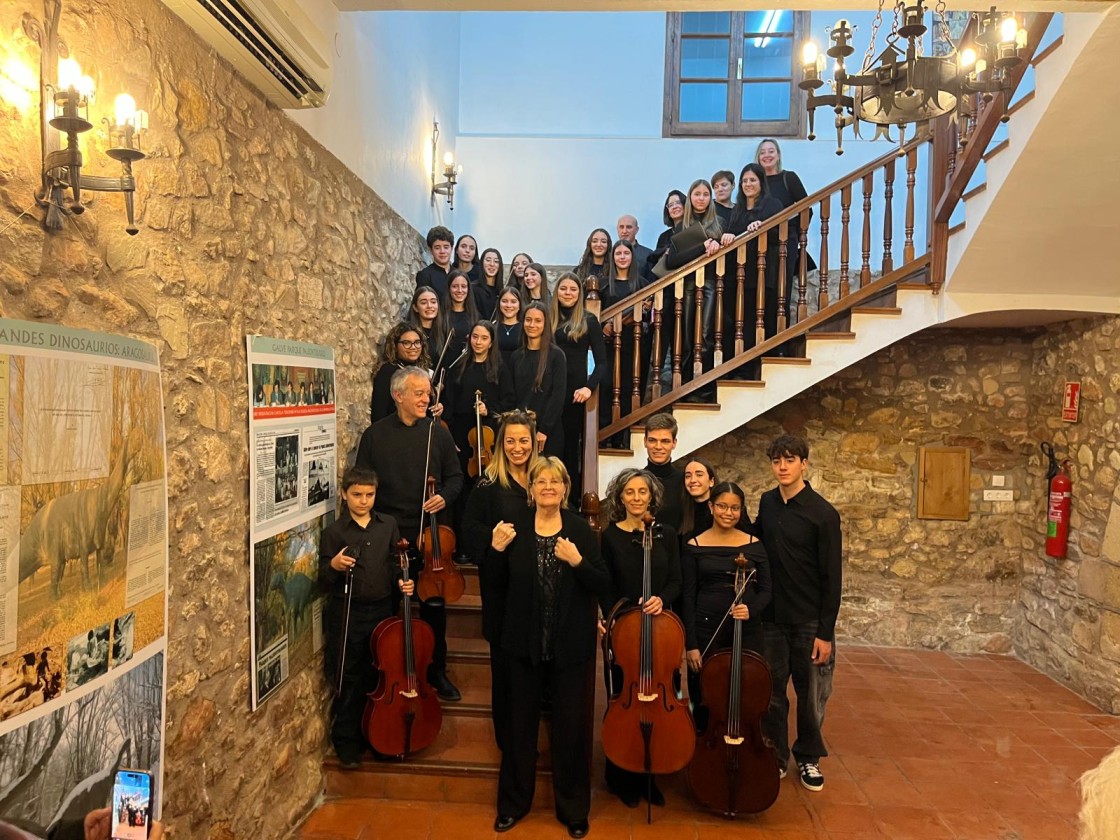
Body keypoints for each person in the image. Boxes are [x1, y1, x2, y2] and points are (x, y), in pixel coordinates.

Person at [489, 457, 608, 838]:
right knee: (518, 727)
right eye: (541, 481)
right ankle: (512, 804)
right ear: (531, 489)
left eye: (555, 482)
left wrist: (578, 561)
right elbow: (494, 584)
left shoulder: (579, 529)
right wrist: (494, 551)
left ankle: (573, 810)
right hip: (522, 643)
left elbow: (602, 583)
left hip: (569, 645)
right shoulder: (514, 526)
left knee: (570, 729)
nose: (548, 488)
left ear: (565, 488)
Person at [355, 366, 464, 702]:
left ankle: (436, 671)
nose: (426, 398)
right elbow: (364, 483)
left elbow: (456, 478)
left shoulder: (438, 433)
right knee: (389, 608)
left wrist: (443, 497)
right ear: (397, 395)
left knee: (433, 607)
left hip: (429, 536)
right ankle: (390, 672)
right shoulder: (375, 436)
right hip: (390, 536)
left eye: (427, 392)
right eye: (419, 393)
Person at [754, 434, 842, 792]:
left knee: (810, 695)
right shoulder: (767, 503)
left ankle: (808, 757)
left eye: (790, 460)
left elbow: (832, 578)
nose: (783, 467)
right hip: (772, 618)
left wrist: (825, 632)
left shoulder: (824, 514)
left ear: (804, 464)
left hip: (809, 620)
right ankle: (775, 756)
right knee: (772, 692)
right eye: (777, 461)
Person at [599, 468, 681, 809]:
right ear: (620, 497)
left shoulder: (666, 534)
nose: (636, 498)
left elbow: (676, 580)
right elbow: (605, 584)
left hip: (660, 631)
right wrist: (612, 619)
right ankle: (621, 775)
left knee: (659, 702)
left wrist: (662, 598)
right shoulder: (610, 536)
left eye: (642, 492)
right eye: (629, 492)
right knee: (624, 701)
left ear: (652, 497)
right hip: (626, 632)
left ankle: (650, 775)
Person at [318, 466, 411, 766]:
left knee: (380, 677)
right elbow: (323, 580)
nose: (363, 501)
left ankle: (380, 736)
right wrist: (334, 565)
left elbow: (395, 564)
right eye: (357, 494)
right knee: (350, 678)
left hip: (383, 612)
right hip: (349, 613)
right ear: (344, 495)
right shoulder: (334, 533)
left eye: (369, 495)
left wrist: (402, 581)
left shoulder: (388, 525)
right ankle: (348, 742)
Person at [461, 410, 540, 750]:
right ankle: (508, 744)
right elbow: (468, 531)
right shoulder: (487, 486)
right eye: (510, 441)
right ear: (500, 445)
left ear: (534, 442)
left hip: (538, 590)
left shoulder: (543, 480)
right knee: (506, 672)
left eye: (523, 440)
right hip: (502, 592)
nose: (517, 447)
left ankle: (531, 737)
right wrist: (492, 541)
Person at [681, 481, 770, 731]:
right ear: (711, 507)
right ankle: (705, 745)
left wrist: (751, 609)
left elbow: (766, 590)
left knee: (747, 692)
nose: (728, 513)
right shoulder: (694, 545)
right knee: (704, 696)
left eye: (735, 508)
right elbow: (687, 597)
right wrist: (692, 645)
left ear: (742, 510)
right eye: (722, 506)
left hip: (747, 630)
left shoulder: (754, 544)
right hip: (706, 629)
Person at [720, 162, 785, 365]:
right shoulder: (737, 209)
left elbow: (780, 234)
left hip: (763, 272)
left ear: (761, 182)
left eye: (752, 180)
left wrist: (763, 226)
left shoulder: (772, 204)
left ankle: (763, 364)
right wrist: (727, 236)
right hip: (740, 274)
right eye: (744, 181)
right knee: (742, 321)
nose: (748, 184)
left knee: (763, 318)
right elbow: (731, 234)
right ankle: (743, 366)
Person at [551, 272, 607, 497]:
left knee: (570, 448)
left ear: (580, 293)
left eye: (573, 289)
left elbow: (602, 362)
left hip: (574, 394)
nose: (568, 293)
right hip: (550, 392)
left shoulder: (589, 320)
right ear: (557, 291)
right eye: (563, 288)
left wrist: (588, 387)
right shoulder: (548, 318)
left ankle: (571, 500)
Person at [500, 302, 567, 459]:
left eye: (538, 321)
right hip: (521, 432)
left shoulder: (556, 355)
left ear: (545, 324)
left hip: (548, 433)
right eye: (528, 320)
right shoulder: (516, 356)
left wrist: (544, 430)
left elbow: (558, 396)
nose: (532, 325)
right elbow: (513, 396)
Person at [444, 320, 501, 499]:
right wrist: (450, 435)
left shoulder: (499, 368)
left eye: (484, 338)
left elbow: (508, 400)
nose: (478, 342)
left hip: (489, 431)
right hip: (462, 432)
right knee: (463, 478)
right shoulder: (458, 367)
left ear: (491, 342)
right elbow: (449, 402)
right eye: (475, 337)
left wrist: (488, 409)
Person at [599, 239, 648, 446]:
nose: (622, 257)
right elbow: (595, 316)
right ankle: (603, 435)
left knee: (628, 389)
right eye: (618, 253)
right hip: (607, 345)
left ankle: (620, 438)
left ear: (632, 257)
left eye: (626, 253)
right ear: (612, 257)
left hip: (633, 345)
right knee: (606, 386)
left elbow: (649, 314)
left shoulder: (642, 284)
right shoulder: (603, 285)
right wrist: (604, 327)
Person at [756, 138, 815, 284]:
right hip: (762, 241)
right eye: (762, 152)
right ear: (758, 157)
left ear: (778, 155)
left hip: (787, 239)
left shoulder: (788, 178)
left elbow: (806, 209)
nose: (767, 155)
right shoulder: (756, 182)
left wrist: (796, 234)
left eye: (771, 151)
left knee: (783, 282)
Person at [370, 322, 433, 422]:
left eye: (417, 342)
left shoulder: (422, 370)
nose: (413, 347)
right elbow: (379, 413)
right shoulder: (387, 372)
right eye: (406, 343)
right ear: (395, 346)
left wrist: (436, 409)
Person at [641, 413, 684, 532]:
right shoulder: (635, 481)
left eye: (665, 441)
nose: (658, 447)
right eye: (652, 440)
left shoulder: (684, 482)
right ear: (645, 442)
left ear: (674, 443)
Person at [442, 270, 481, 365]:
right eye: (455, 286)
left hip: (468, 367)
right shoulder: (440, 315)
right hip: (445, 367)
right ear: (449, 288)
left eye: (463, 286)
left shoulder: (476, 316)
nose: (460, 290)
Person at [407, 285, 447, 365]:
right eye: (424, 303)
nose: (429, 306)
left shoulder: (444, 331)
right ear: (415, 308)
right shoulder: (408, 333)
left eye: (433, 302)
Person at [416, 225, 454, 297]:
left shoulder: (459, 274)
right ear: (430, 250)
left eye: (446, 247)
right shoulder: (425, 275)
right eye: (437, 248)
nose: (442, 251)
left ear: (451, 248)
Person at [495, 287, 524, 365]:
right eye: (504, 301)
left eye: (513, 302)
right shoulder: (492, 328)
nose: (508, 305)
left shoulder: (525, 328)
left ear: (519, 305)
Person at [475, 247, 504, 320]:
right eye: (488, 260)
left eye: (496, 261)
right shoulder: (473, 289)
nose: (492, 264)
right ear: (482, 263)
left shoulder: (502, 291)